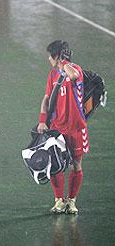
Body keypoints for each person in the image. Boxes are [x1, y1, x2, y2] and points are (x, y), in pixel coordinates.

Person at [37, 40, 89, 214]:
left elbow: (73, 76)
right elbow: (46, 99)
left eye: (51, 57)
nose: (49, 60)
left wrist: (64, 63)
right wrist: (42, 120)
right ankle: (59, 200)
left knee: (76, 164)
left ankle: (71, 201)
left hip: (75, 128)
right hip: (57, 128)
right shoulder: (52, 76)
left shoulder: (76, 70)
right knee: (55, 164)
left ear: (57, 56)